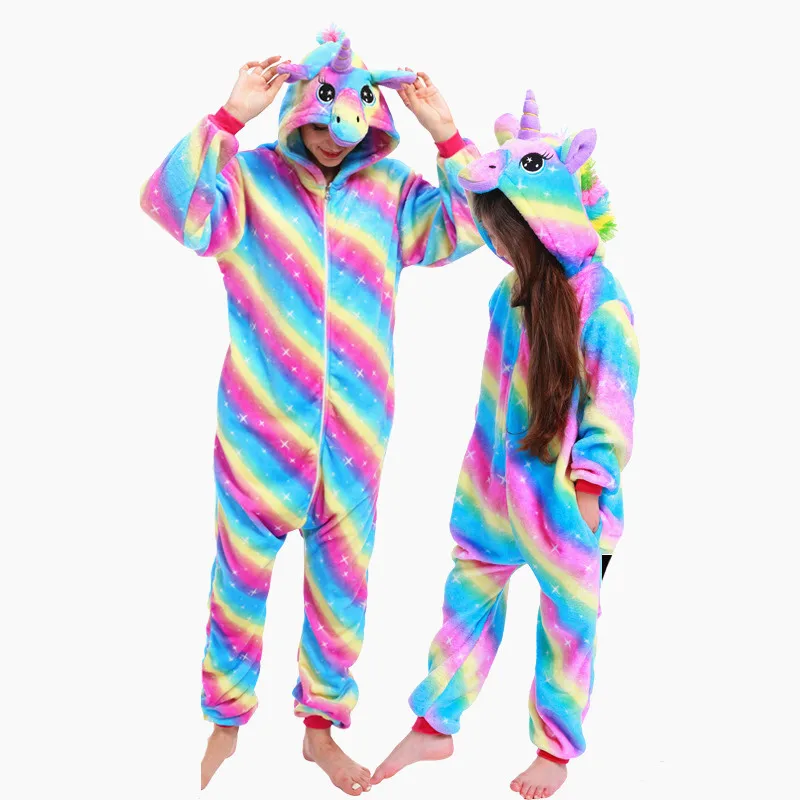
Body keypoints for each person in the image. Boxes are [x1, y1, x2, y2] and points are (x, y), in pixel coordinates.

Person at [139, 25, 483, 794]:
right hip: (258, 438)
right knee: (237, 585)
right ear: (298, 109)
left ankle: (320, 731)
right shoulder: (250, 182)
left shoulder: (391, 192)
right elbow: (169, 204)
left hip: (355, 443)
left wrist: (447, 135)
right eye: (321, 120)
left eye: (348, 124)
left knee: (342, 596)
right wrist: (228, 119)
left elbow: (472, 227)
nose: (333, 138)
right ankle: (225, 725)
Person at [373, 89, 639, 800]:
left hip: (569, 505)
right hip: (495, 495)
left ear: (546, 224)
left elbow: (613, 405)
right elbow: (493, 400)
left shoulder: (602, 302)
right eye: (496, 235)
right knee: (466, 601)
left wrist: (588, 494)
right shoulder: (508, 296)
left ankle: (555, 750)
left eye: (509, 232)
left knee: (568, 628)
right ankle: (434, 723)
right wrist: (480, 481)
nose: (500, 247)